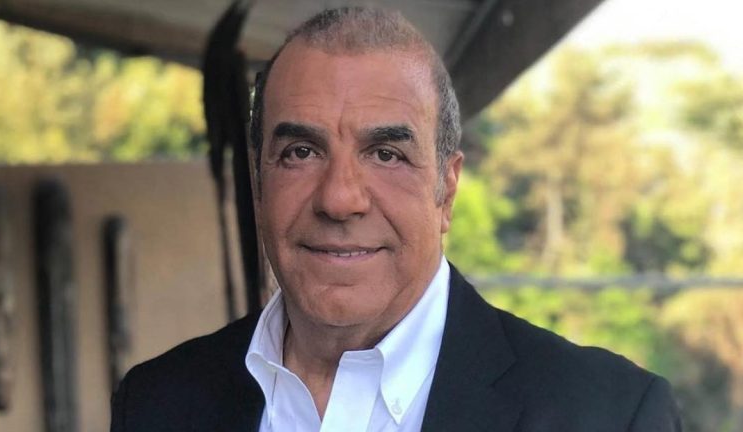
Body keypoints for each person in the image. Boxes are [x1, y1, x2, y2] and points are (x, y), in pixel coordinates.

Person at [110, 7, 682, 432]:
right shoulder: (157, 404)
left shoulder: (609, 415)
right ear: (259, 186)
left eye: (386, 154)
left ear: (446, 190)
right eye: (301, 152)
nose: (340, 199)